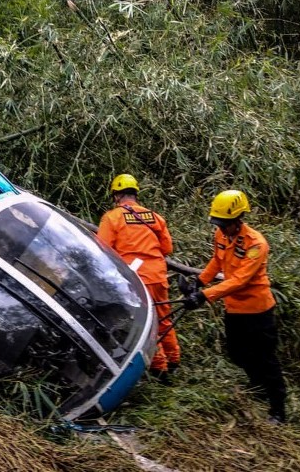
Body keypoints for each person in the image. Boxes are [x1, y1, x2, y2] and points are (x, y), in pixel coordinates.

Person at [183, 190, 287, 423]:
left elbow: (240, 280)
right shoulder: (221, 235)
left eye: (225, 224)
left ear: (238, 219)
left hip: (258, 312)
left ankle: (278, 408)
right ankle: (257, 385)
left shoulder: (256, 244)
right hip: (235, 310)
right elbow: (216, 261)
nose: (221, 228)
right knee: (237, 353)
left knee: (266, 359)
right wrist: (198, 281)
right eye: (218, 224)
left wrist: (203, 296)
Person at [97, 174, 179, 383]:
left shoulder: (112, 218)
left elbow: (102, 249)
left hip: (137, 279)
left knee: (147, 322)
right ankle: (174, 358)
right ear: (135, 194)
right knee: (163, 318)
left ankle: (160, 369)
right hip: (158, 275)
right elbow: (167, 248)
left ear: (116, 195)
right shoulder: (155, 217)